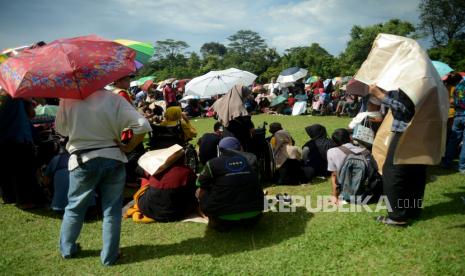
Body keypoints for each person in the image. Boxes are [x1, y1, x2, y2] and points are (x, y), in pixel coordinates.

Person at [55, 88, 152, 265]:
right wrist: (129, 147)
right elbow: (143, 125)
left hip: (82, 159)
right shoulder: (114, 99)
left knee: (75, 207)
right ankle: (109, 256)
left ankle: (67, 250)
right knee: (112, 210)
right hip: (112, 157)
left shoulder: (67, 100)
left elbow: (61, 129)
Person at [368, 84, 425, 226]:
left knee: (393, 172)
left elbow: (406, 110)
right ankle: (412, 210)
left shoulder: (407, 79)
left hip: (406, 131)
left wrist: (381, 96)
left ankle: (397, 217)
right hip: (420, 131)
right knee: (414, 171)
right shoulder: (420, 77)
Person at [196, 137, 263, 230]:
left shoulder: (212, 163)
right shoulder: (251, 159)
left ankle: (212, 218)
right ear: (241, 148)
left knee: (202, 190)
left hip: (223, 220)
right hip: (254, 217)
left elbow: (200, 185)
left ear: (219, 150)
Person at [0, 90, 46, 209]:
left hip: (6, 138)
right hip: (19, 138)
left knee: (7, 170)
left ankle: (9, 197)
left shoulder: (6, 96)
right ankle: (25, 201)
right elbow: (31, 114)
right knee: (22, 172)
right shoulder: (16, 96)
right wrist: (29, 100)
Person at [136, 154, 198, 222]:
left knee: (145, 187)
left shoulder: (154, 169)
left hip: (151, 211)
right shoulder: (187, 171)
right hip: (180, 213)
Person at [327, 128, 367, 205]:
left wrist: (335, 195)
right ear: (350, 137)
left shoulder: (331, 152)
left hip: (345, 189)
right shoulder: (364, 151)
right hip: (365, 188)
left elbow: (334, 175)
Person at [443, 75, 465, 173]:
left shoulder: (458, 86)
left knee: (453, 140)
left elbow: (453, 100)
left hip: (457, 115)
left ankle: (446, 163)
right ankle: (462, 167)